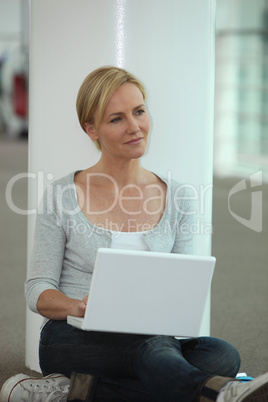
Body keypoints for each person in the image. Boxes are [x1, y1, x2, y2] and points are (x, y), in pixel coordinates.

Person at [1, 66, 268, 402]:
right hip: (72, 338)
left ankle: (70, 392)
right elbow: (37, 289)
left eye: (139, 112)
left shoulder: (180, 197)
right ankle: (219, 394)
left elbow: (183, 283)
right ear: (91, 129)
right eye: (117, 119)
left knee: (221, 353)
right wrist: (78, 306)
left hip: (153, 336)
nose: (135, 127)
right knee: (157, 351)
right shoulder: (62, 195)